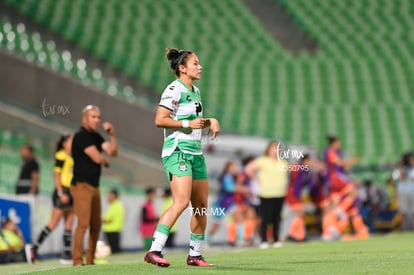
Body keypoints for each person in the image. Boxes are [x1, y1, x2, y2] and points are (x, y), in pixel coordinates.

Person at [144, 48, 220, 267]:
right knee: (181, 202)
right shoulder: (173, 89)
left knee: (201, 205)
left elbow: (193, 121)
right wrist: (188, 124)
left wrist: (210, 120)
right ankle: (154, 250)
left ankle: (195, 255)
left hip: (196, 154)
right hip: (177, 152)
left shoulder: (195, 90)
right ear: (182, 68)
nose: (200, 66)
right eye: (195, 63)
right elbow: (160, 119)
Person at [71, 105, 118, 266]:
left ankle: (90, 260)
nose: (97, 120)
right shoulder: (81, 136)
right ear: (84, 118)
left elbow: (112, 152)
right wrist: (104, 160)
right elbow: (97, 158)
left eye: (98, 117)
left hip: (94, 186)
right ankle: (77, 260)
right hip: (81, 185)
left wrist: (112, 135)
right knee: (83, 224)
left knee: (96, 225)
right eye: (93, 116)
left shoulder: (96, 136)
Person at [30, 135, 74, 264]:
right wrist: (61, 193)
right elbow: (56, 175)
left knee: (69, 223)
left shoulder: (74, 156)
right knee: (53, 223)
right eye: (71, 140)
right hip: (63, 191)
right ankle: (34, 248)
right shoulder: (61, 155)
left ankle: (66, 255)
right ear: (65, 143)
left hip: (72, 192)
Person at [245, 141, 289, 249]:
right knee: (266, 217)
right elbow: (248, 169)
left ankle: (275, 239)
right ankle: (263, 239)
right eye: (273, 149)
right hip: (266, 193)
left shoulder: (283, 162)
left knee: (277, 217)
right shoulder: (262, 161)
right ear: (268, 150)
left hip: (280, 193)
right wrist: (257, 179)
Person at [208, 161, 249, 242]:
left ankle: (240, 240)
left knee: (240, 218)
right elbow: (229, 188)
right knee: (216, 224)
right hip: (221, 204)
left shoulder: (233, 176)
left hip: (230, 203)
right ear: (228, 168)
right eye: (233, 167)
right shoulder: (226, 176)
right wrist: (243, 189)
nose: (235, 169)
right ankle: (207, 240)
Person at [102, 189, 125, 254]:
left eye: (109, 195)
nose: (107, 197)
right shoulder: (115, 205)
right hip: (113, 230)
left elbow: (109, 219)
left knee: (114, 250)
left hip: (112, 230)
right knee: (115, 249)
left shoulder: (116, 205)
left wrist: (98, 220)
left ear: (113, 196)